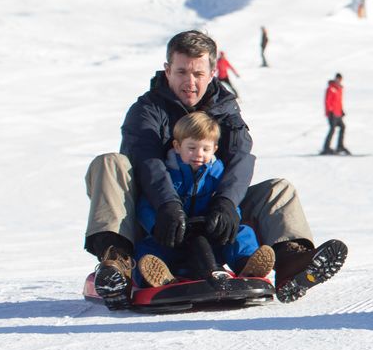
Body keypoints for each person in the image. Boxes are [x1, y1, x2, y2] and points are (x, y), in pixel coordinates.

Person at [86, 30, 348, 310]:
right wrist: (167, 204)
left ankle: (291, 263)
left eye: (198, 73)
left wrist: (225, 203)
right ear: (167, 70)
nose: (190, 81)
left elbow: (241, 158)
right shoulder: (147, 110)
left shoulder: (225, 109)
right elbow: (145, 160)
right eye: (181, 71)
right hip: (158, 218)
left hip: (215, 218)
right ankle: (118, 264)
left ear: (213, 72)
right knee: (109, 163)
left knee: (279, 190)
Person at [133, 112, 275, 288]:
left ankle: (246, 265)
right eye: (191, 148)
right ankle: (157, 277)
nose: (198, 154)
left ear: (214, 149)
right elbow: (147, 205)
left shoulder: (217, 174)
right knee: (147, 248)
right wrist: (157, 225)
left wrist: (226, 219)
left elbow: (230, 203)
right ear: (177, 146)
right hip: (173, 237)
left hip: (210, 237)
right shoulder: (167, 174)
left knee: (242, 233)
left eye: (205, 149)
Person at [321, 74, 350, 155]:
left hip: (338, 113)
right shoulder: (331, 88)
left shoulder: (339, 89)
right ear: (335, 79)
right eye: (338, 79)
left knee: (342, 127)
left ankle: (340, 146)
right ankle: (326, 147)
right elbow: (328, 101)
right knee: (332, 129)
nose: (339, 81)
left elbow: (338, 102)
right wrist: (330, 111)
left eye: (340, 79)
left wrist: (341, 111)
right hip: (332, 113)